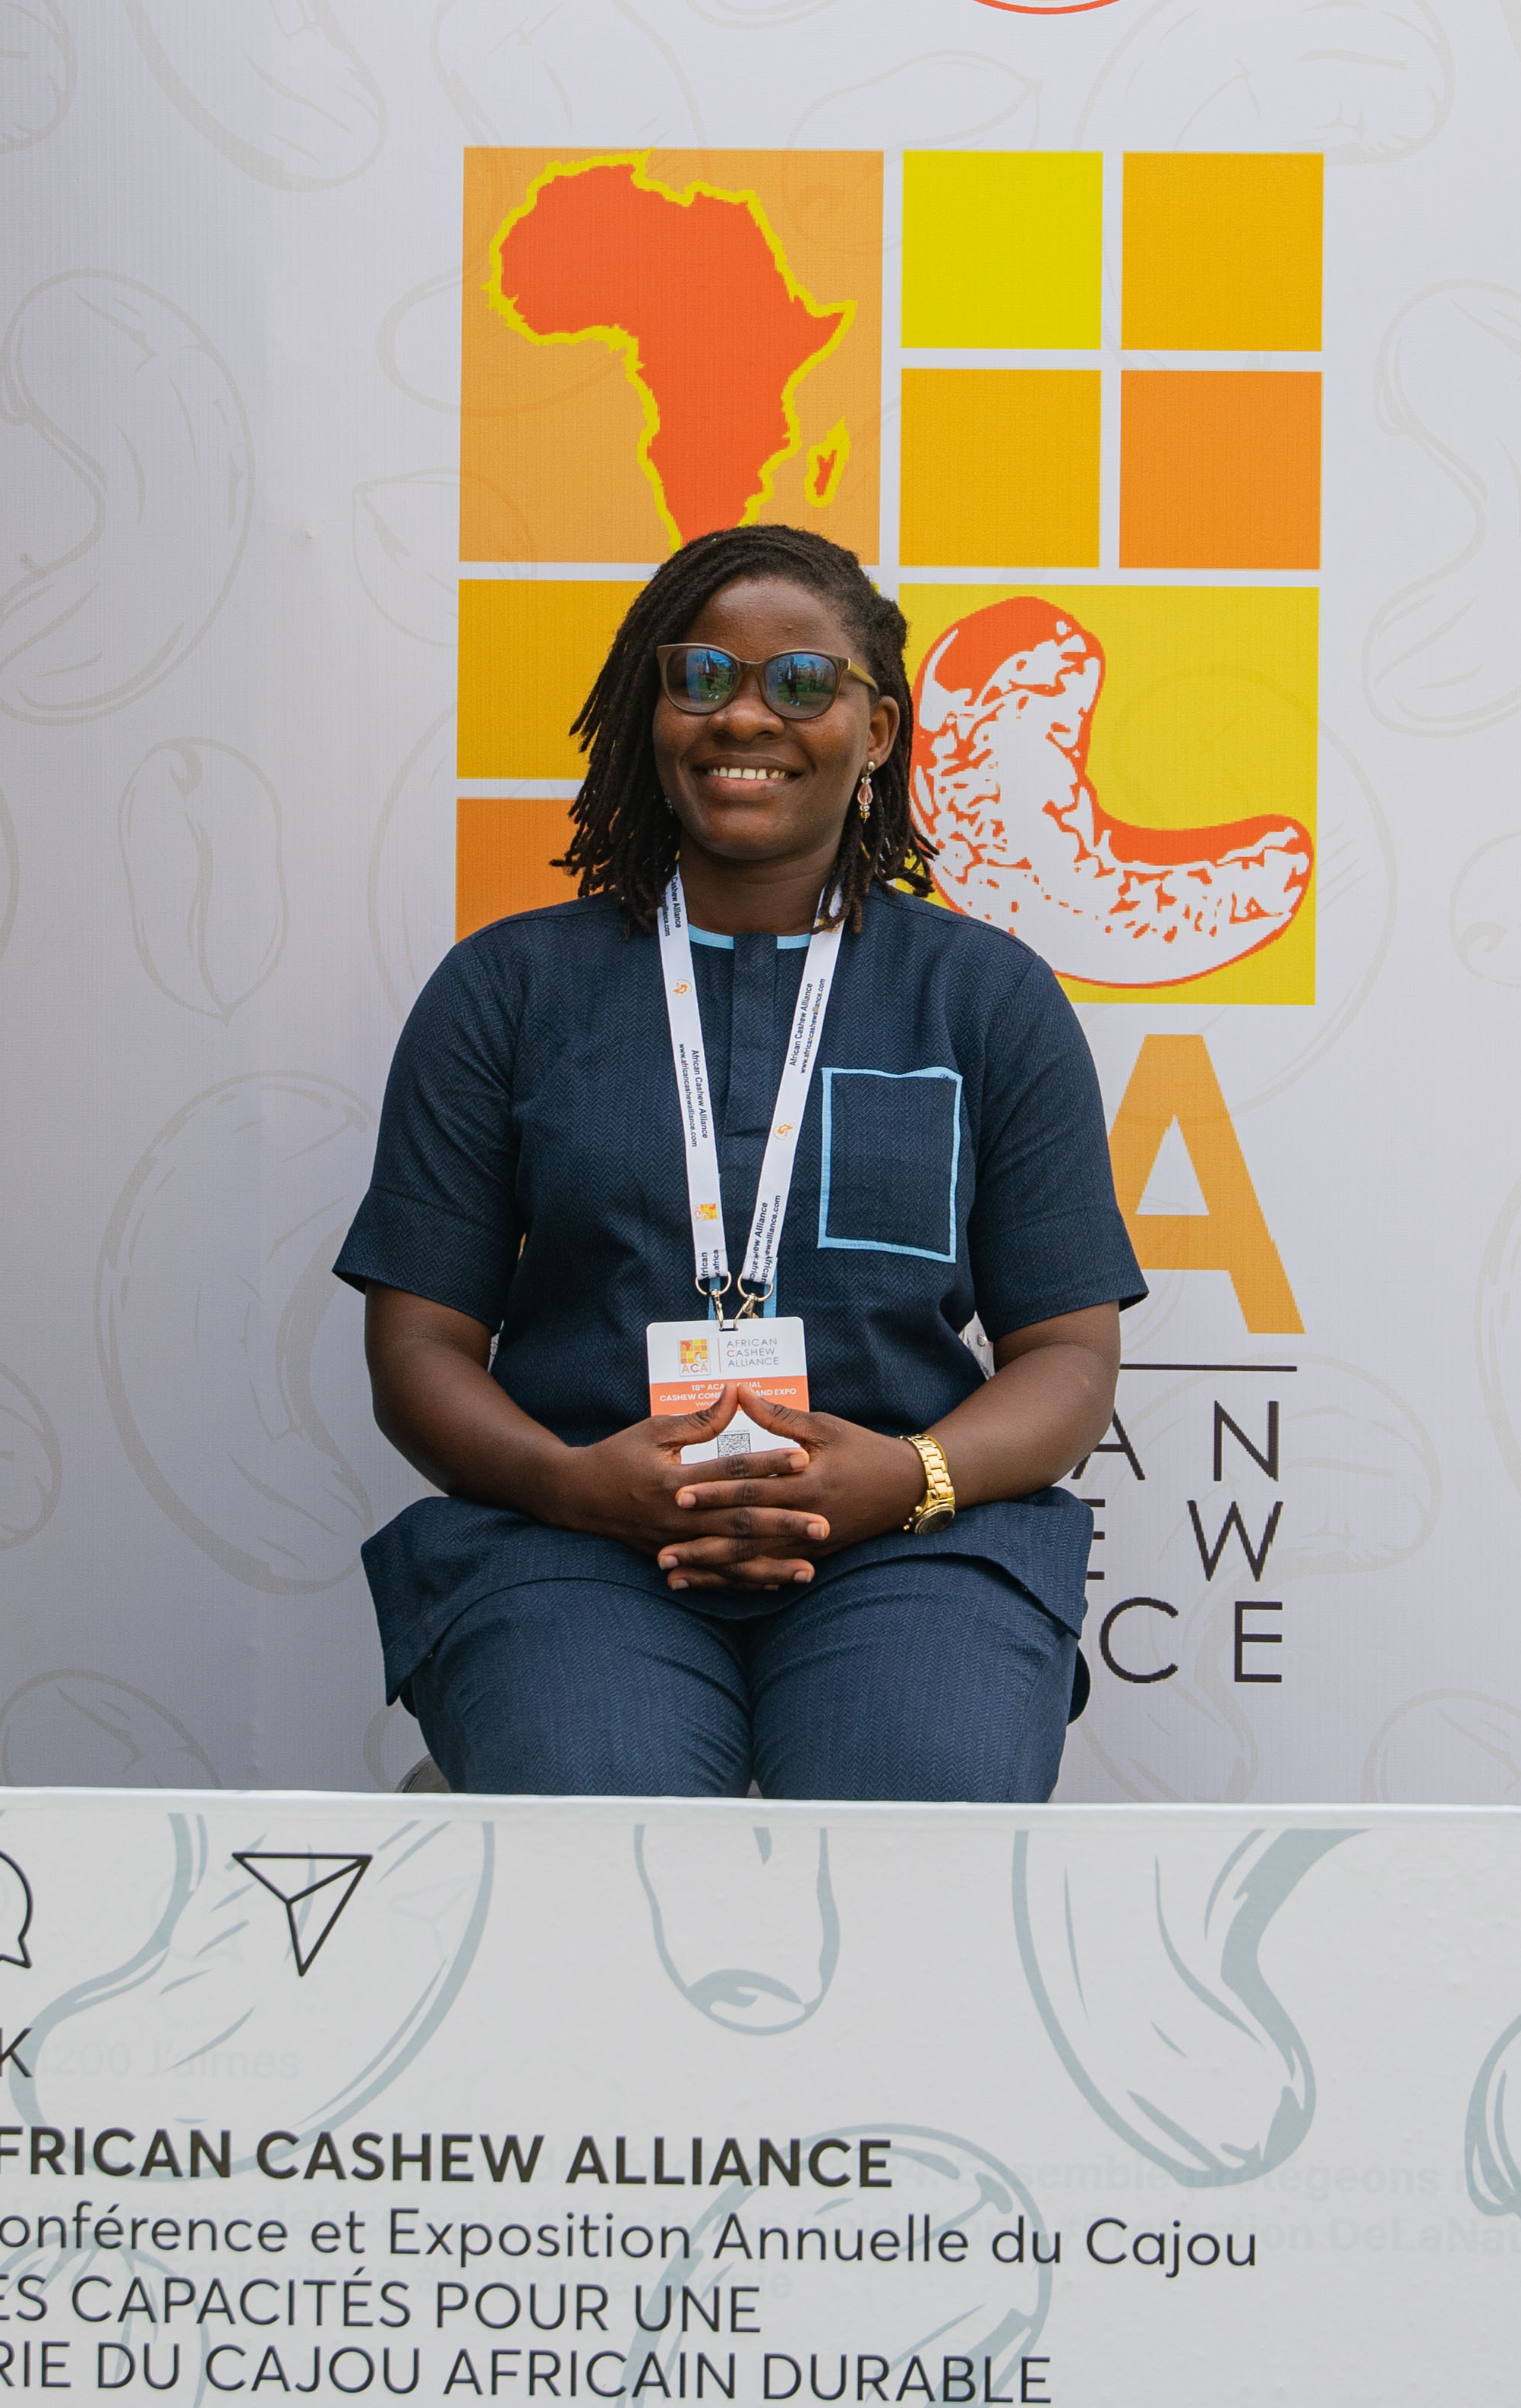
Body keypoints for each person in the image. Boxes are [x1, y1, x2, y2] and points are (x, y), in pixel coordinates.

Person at [337, 525, 1144, 1798]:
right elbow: (418, 1347)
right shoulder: (505, 989)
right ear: (651, 711)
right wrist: (574, 1484)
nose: (746, 715)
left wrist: (910, 1474)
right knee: (595, 1790)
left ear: (876, 732)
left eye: (804, 682)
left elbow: (1068, 1355)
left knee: (917, 1791)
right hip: (574, 1542)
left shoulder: (987, 999)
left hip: (907, 1544)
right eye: (701, 676)